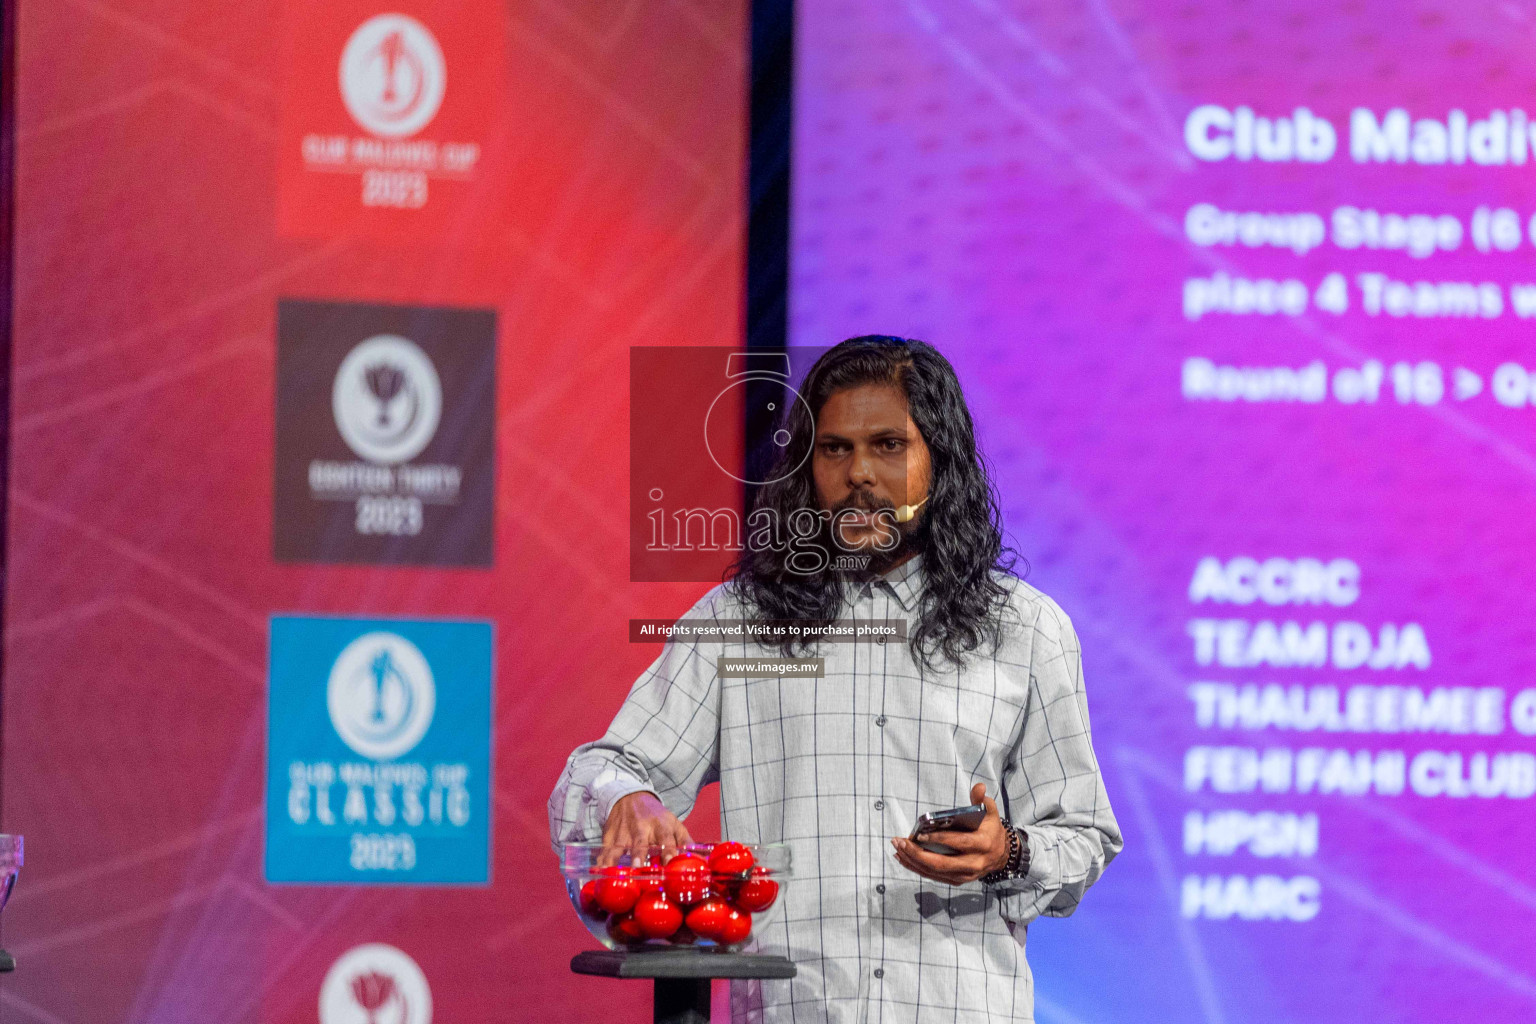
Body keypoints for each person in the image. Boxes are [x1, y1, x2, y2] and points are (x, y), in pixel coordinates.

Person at [549, 335, 1122, 1022]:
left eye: (888, 445)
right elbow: (606, 764)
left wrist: (1009, 853)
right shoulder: (739, 621)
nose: (860, 474)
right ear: (806, 467)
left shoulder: (1027, 630)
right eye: (835, 449)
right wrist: (627, 797)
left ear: (941, 464)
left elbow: (1085, 833)